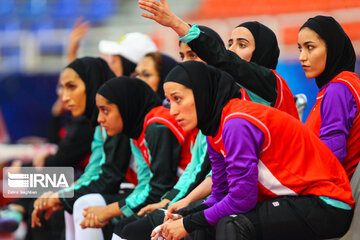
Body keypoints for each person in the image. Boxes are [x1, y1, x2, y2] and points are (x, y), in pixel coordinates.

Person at [150, 61, 354, 240]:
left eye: (178, 99)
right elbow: (220, 195)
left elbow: (241, 200)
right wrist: (185, 216)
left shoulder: (236, 122)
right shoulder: (214, 130)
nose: (173, 111)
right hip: (297, 201)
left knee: (232, 224)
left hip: (327, 204)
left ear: (202, 91)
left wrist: (187, 223)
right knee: (202, 225)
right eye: (169, 101)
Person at [68, 77, 194, 239]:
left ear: (125, 104)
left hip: (183, 198)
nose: (100, 118)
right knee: (82, 204)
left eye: (105, 110)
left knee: (124, 228)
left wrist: (108, 211)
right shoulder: (135, 131)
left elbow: (157, 189)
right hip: (166, 197)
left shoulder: (156, 126)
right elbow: (144, 185)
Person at [138, 0, 299, 119]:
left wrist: (177, 24)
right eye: (230, 44)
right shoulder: (233, 92)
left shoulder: (271, 82)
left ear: (262, 51)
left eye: (242, 45)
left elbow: (226, 60)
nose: (232, 50)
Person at [30, 57, 133, 240]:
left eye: (71, 87)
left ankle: (14, 207)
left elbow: (59, 159)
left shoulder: (95, 121)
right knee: (34, 182)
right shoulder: (86, 119)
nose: (64, 96)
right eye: (61, 88)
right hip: (78, 176)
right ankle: (14, 208)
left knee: (33, 181)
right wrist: (55, 116)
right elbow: (59, 146)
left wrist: (57, 192)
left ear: (91, 83)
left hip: (80, 176)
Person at [298, 15, 360, 180]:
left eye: (310, 47)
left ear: (331, 48)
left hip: (329, 196)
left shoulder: (338, 89)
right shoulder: (343, 84)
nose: (302, 57)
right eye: (300, 48)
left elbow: (329, 161)